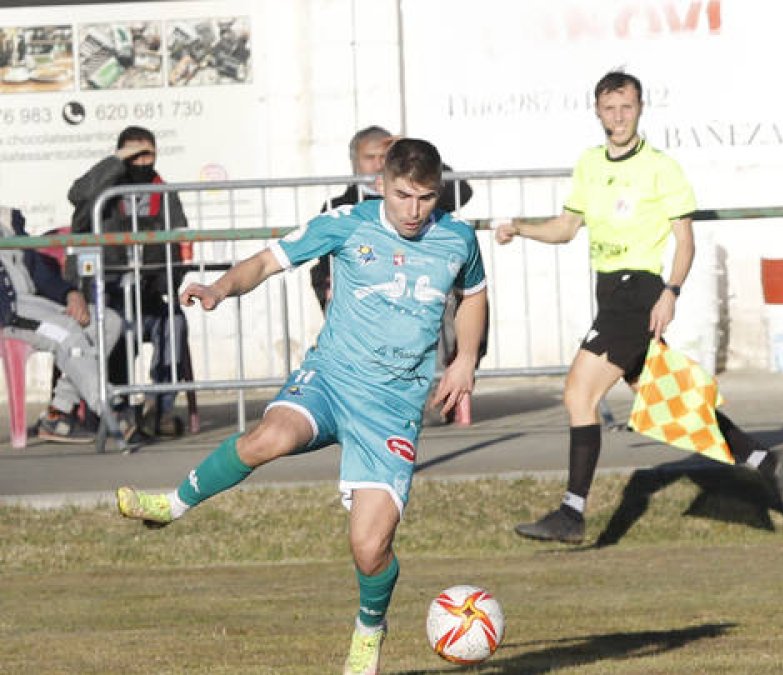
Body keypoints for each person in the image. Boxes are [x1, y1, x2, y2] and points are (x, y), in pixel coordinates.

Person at [115, 138, 488, 675]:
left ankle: (369, 628)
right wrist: (221, 287)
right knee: (269, 437)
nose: (413, 210)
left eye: (425, 198)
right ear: (381, 184)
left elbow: (473, 295)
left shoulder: (456, 238)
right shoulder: (345, 223)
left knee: (369, 548)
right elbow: (268, 261)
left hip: (391, 408)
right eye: (403, 195)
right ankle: (171, 504)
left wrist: (465, 358)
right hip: (331, 378)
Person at [494, 70, 783, 545]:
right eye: (610, 108)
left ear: (640, 109)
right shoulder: (590, 164)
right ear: (597, 111)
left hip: (640, 292)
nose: (618, 117)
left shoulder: (661, 167)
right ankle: (768, 460)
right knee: (665, 399)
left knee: (579, 394)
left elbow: (684, 241)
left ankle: (572, 512)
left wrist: (670, 292)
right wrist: (520, 228)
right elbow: (566, 226)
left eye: (627, 107)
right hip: (609, 291)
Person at [312, 126, 480, 424]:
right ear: (355, 162)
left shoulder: (419, 199)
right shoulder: (338, 207)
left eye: (383, 156)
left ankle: (429, 403)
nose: (377, 162)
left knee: (436, 323)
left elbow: (460, 190)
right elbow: (321, 262)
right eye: (369, 157)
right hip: (365, 301)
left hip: (419, 292)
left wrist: (412, 153)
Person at [67, 125, 191, 440]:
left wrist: (167, 283)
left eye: (147, 153)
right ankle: (118, 407)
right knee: (115, 328)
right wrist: (114, 162)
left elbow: (180, 241)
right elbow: (77, 195)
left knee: (174, 324)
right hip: (107, 295)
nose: (141, 160)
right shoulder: (104, 193)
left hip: (149, 293)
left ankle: (158, 409)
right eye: (133, 154)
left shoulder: (163, 192)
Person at [0, 206, 122, 443]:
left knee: (108, 322)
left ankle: (59, 412)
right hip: (8, 312)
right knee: (67, 333)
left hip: (35, 303)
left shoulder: (8, 220)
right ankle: (111, 408)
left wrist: (70, 293)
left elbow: (39, 271)